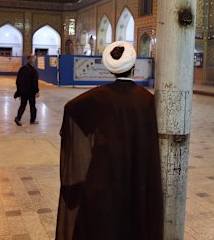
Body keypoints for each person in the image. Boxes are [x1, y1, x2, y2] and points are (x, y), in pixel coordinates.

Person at [55, 41, 163, 240]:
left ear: (109, 69)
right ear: (133, 67)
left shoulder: (97, 97)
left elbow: (71, 108)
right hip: (136, 176)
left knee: (104, 224)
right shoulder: (146, 99)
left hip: (104, 175)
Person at [14, 55, 39, 126]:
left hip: (23, 91)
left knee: (22, 105)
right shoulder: (34, 71)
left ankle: (18, 118)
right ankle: (32, 120)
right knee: (33, 106)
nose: (34, 61)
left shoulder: (22, 69)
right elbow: (35, 83)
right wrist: (37, 91)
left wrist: (19, 91)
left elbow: (17, 81)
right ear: (32, 61)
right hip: (31, 92)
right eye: (34, 60)